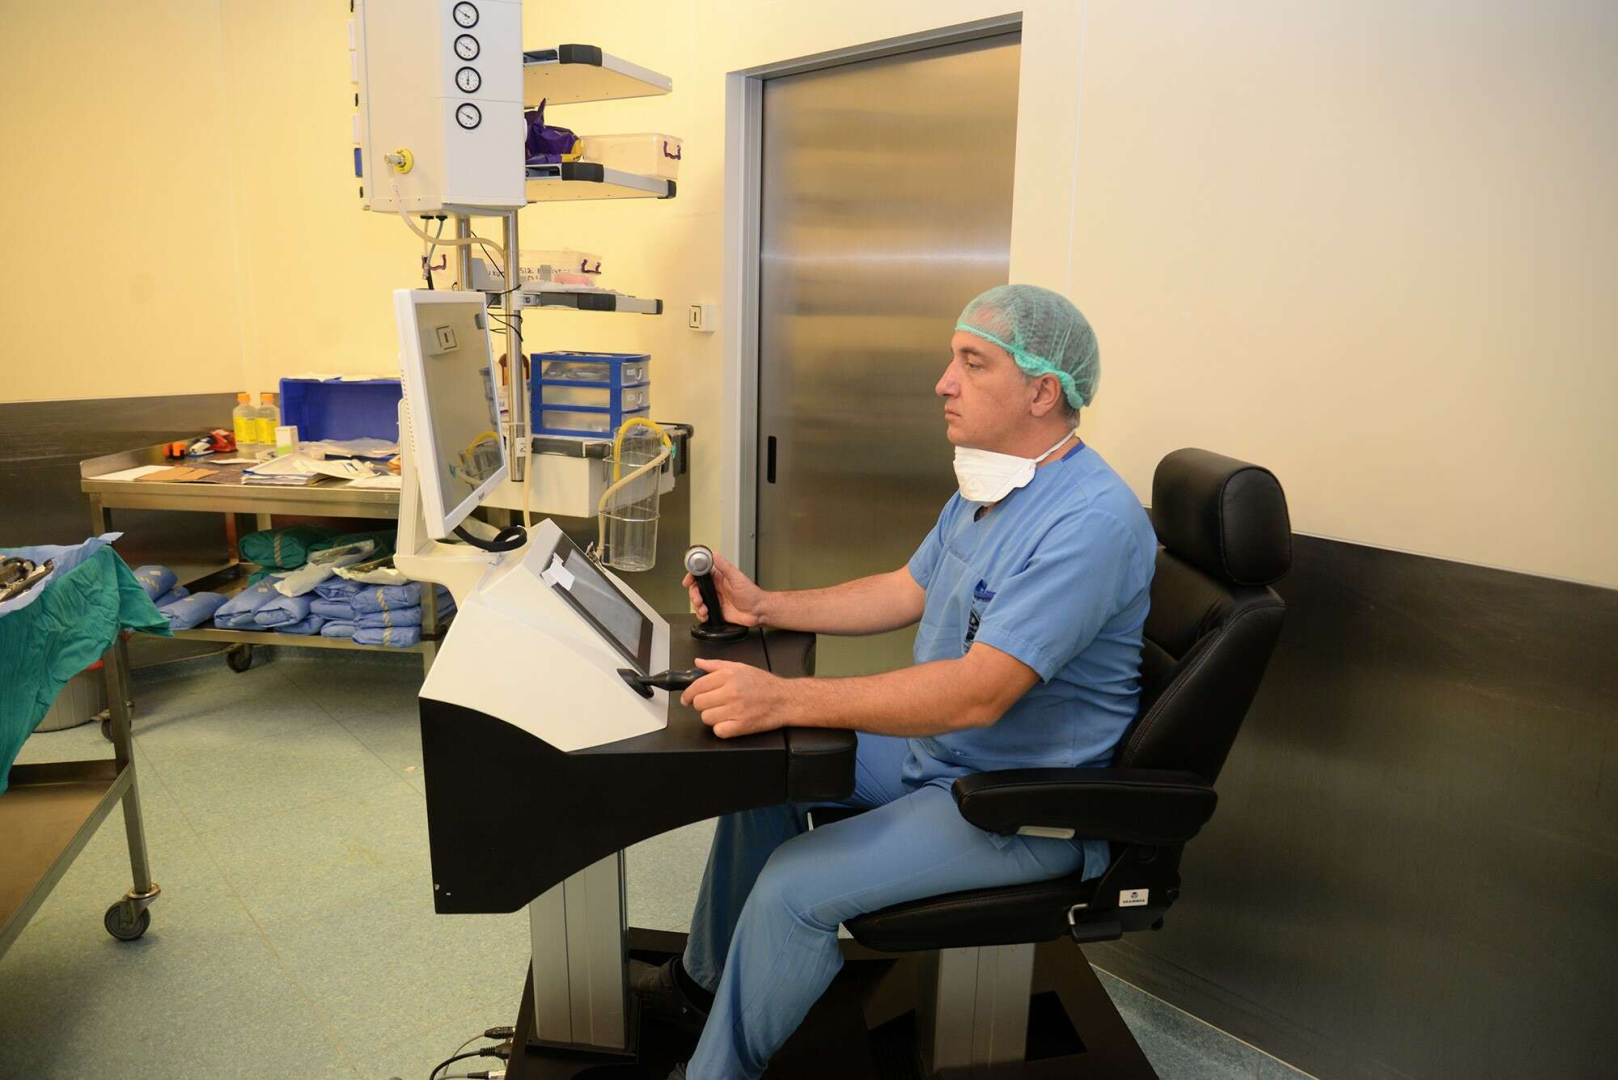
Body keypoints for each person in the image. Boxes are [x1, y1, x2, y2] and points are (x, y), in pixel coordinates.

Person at [640, 284, 1158, 1080]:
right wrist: (763, 605)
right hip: (949, 755)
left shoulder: (1088, 523)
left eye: (972, 364)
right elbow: (905, 588)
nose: (944, 383)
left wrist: (786, 696)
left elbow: (978, 693)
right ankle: (702, 989)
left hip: (1017, 800)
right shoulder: (992, 488)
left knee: (793, 886)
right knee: (764, 777)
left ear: (1042, 391)